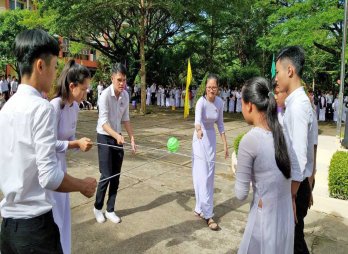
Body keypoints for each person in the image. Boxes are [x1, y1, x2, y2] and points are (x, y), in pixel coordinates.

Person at [0, 29, 97, 254]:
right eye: (54, 67)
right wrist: (82, 185)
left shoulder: (6, 109)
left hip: (8, 227)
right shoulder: (43, 108)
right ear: (40, 66)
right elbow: (49, 176)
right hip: (35, 228)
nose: (56, 75)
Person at [235, 77, 293, 254]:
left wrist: (237, 168)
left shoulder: (250, 140)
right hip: (285, 216)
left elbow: (240, 194)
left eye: (242, 102)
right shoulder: (283, 133)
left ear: (250, 105)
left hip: (264, 220)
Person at [50, 59, 93, 254]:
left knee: (65, 217)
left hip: (62, 168)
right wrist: (75, 144)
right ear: (72, 86)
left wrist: (81, 145)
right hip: (50, 169)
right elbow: (49, 144)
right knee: (54, 219)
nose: (86, 93)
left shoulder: (75, 107)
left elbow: (70, 138)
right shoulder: (54, 107)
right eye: (83, 89)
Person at [275, 46, 313, 254]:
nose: (276, 78)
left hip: (294, 189)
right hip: (297, 187)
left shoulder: (297, 106)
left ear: (290, 71)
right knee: (294, 241)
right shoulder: (297, 103)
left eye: (278, 72)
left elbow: (299, 157)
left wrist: (291, 196)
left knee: (294, 244)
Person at [94, 63, 137, 224]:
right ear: (112, 78)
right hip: (104, 136)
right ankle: (97, 208)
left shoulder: (125, 96)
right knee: (106, 174)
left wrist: (131, 137)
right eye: (119, 80)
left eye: (124, 80)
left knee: (116, 176)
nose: (122, 83)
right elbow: (104, 123)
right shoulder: (104, 96)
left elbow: (126, 118)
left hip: (117, 135)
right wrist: (116, 136)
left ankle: (110, 209)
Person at [192, 73, 229, 231]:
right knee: (201, 175)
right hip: (199, 139)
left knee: (209, 176)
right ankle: (208, 214)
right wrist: (199, 131)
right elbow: (197, 121)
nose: (211, 90)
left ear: (218, 88)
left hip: (211, 140)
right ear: (205, 88)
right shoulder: (201, 102)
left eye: (214, 87)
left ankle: (200, 208)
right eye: (209, 87)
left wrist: (225, 145)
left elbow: (220, 124)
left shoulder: (220, 102)